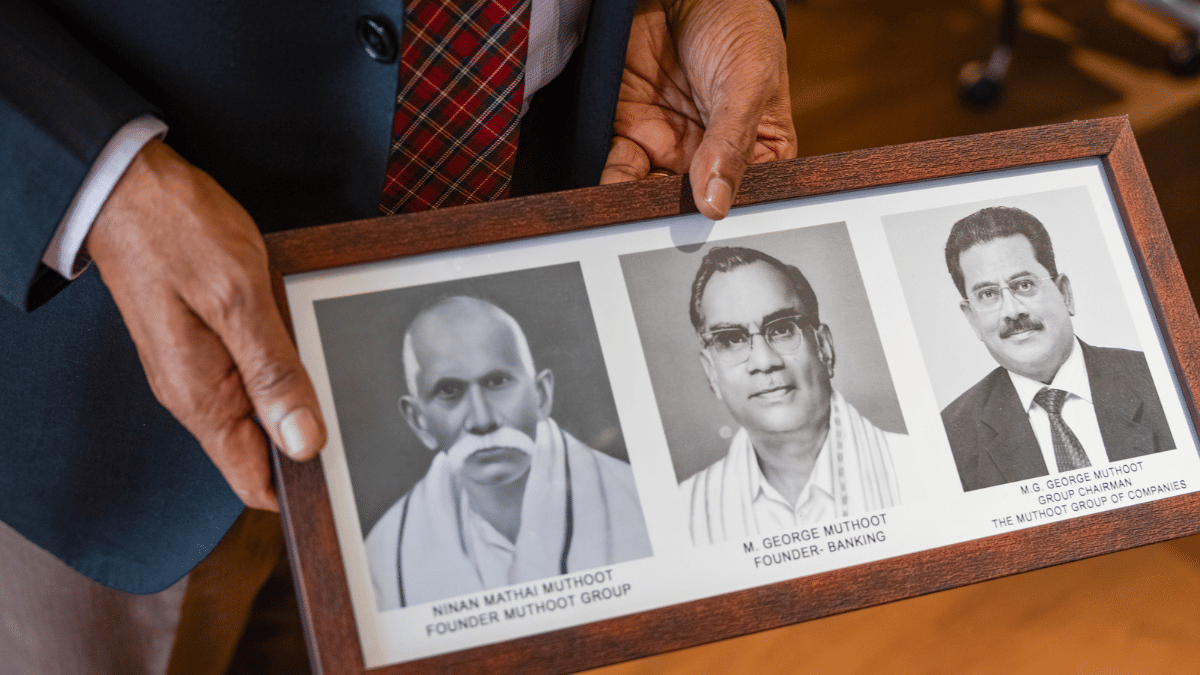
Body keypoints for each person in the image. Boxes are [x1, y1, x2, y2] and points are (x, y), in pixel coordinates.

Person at [0, 0, 795, 672]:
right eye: (454, 393)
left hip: (542, 191)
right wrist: (94, 183)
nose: (483, 415)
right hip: (108, 335)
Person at [364, 296, 651, 609]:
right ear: (419, 421)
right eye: (449, 391)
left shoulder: (641, 501)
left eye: (497, 382)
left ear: (541, 395)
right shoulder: (383, 557)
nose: (482, 420)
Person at [940, 206, 1175, 492]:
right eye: (988, 294)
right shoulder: (951, 437)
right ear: (973, 318)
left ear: (1064, 293)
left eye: (1024, 285)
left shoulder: (1165, 380)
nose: (1011, 312)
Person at [680, 247, 901, 546]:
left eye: (782, 329)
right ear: (711, 373)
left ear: (824, 348)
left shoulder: (915, 467)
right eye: (731, 339)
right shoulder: (684, 514)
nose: (763, 361)